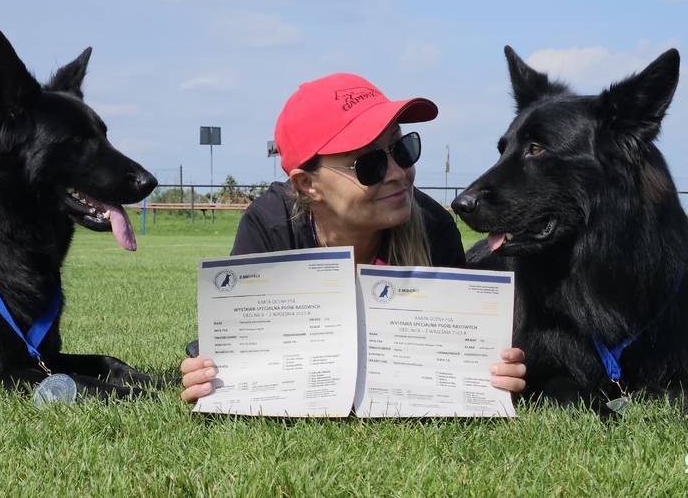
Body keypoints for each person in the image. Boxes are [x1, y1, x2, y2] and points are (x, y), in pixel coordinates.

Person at [180, 73, 526, 402]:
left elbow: (457, 351)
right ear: (307, 184)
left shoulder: (434, 226)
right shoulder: (270, 227)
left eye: (403, 149)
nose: (398, 173)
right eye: (369, 165)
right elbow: (240, 349)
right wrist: (209, 371)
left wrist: (491, 370)